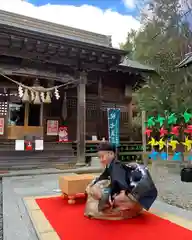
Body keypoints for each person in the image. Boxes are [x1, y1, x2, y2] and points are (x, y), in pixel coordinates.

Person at [84, 142, 158, 220]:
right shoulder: (110, 166)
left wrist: (113, 193)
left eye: (102, 156)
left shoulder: (116, 165)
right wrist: (93, 184)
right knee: (100, 191)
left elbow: (119, 180)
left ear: (111, 154)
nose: (101, 160)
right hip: (126, 190)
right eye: (99, 157)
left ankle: (124, 207)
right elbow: (103, 176)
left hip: (132, 193)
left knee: (110, 197)